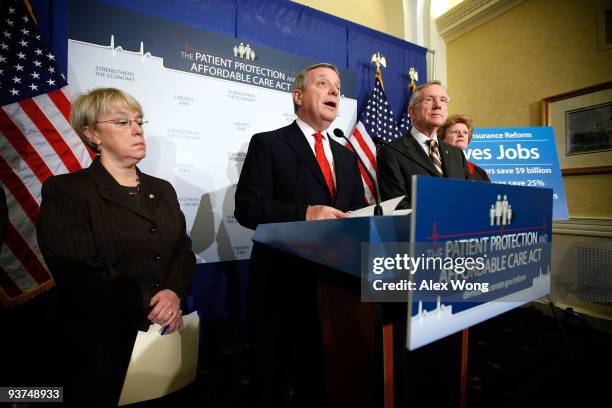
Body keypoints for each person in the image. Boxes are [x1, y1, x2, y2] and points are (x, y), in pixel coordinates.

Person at [37, 88, 195, 406]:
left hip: (160, 338)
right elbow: (79, 271)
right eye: (123, 122)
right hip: (98, 346)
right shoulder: (67, 191)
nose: (137, 129)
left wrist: (174, 293)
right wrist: (152, 301)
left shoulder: (162, 190)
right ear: (92, 134)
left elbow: (182, 250)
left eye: (139, 121)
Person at [234, 63, 365, 230]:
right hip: (286, 254)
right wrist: (305, 213)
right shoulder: (268, 144)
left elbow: (357, 208)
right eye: (322, 83)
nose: (334, 91)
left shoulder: (347, 156)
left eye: (338, 88)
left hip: (338, 254)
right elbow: (248, 208)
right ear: (298, 96)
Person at [377, 80, 470, 208]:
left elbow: (468, 198)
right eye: (429, 100)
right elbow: (398, 206)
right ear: (412, 111)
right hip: (419, 227)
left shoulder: (457, 154)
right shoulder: (391, 152)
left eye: (443, 100)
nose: (438, 105)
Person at [437, 114, 490, 181]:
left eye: (465, 132)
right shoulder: (436, 164)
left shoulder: (479, 172)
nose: (461, 135)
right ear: (442, 136)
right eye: (455, 132)